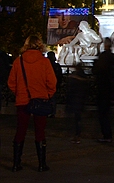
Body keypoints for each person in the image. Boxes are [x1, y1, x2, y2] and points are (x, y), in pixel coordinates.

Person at [7, 35, 57, 172]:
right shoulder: (44, 62)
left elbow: (11, 82)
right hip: (40, 100)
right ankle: (41, 164)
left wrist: (20, 93)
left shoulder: (19, 61)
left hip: (23, 101)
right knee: (40, 132)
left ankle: (16, 164)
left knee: (20, 131)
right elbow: (52, 82)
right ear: (40, 45)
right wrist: (47, 94)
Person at [93, 37, 114, 143]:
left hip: (103, 88)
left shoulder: (103, 56)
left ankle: (106, 135)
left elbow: (96, 70)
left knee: (103, 113)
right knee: (107, 112)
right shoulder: (113, 57)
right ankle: (108, 133)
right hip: (111, 87)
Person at [66, 64, 88, 144]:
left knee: (75, 119)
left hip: (75, 100)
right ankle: (77, 134)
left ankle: (76, 135)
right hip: (80, 100)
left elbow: (70, 88)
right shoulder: (83, 78)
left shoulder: (74, 77)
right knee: (77, 119)